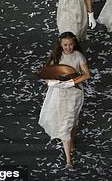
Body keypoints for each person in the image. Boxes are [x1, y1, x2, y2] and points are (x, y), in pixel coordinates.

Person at [38, 31, 91, 169]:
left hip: (74, 94)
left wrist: (72, 82)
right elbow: (48, 74)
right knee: (65, 124)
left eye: (71, 45)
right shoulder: (56, 57)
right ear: (61, 45)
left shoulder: (78, 56)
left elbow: (86, 74)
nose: (69, 48)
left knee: (72, 121)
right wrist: (54, 83)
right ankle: (68, 160)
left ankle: (71, 141)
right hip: (59, 94)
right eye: (66, 45)